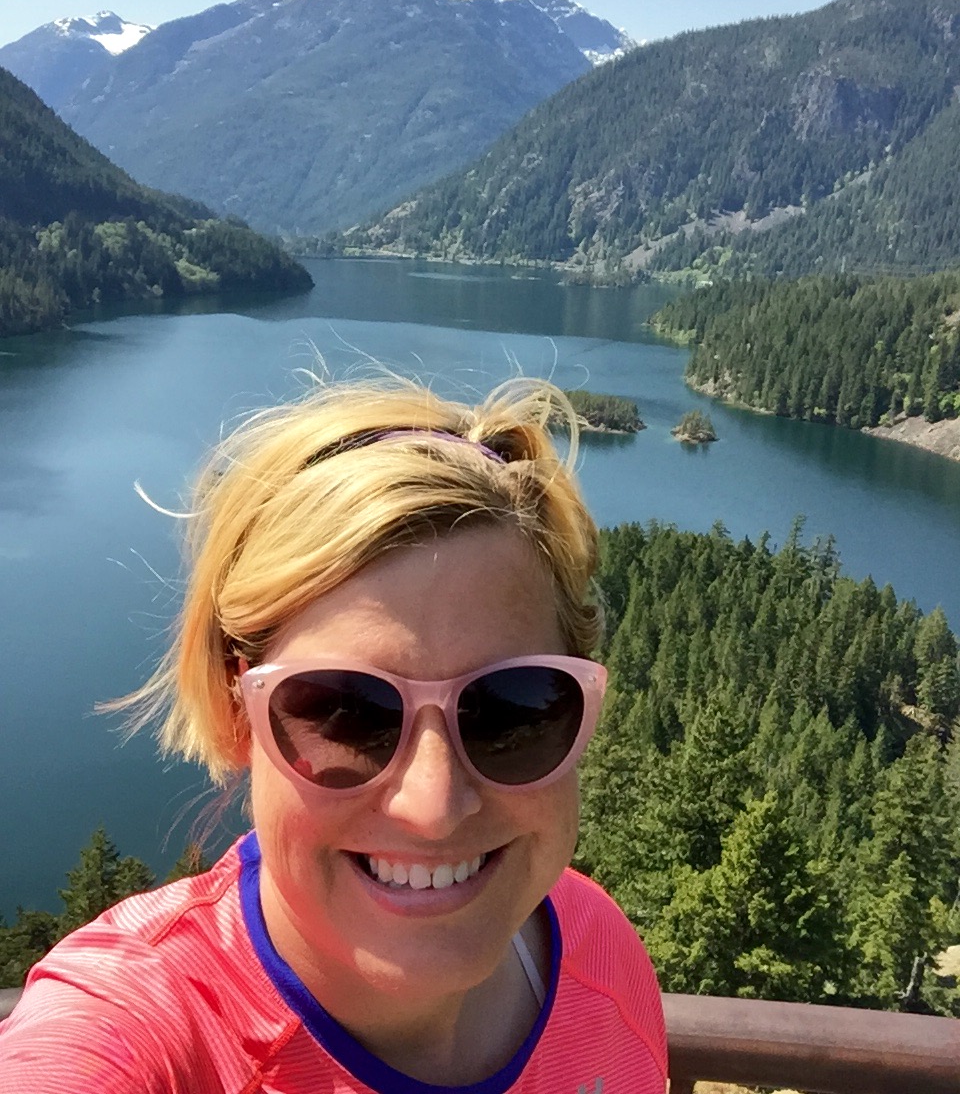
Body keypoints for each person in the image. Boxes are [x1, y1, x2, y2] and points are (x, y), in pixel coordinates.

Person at [0, 376, 667, 1093]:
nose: (434, 805)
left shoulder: (600, 951)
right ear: (236, 712)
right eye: (350, 713)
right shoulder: (136, 1033)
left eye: (509, 708)